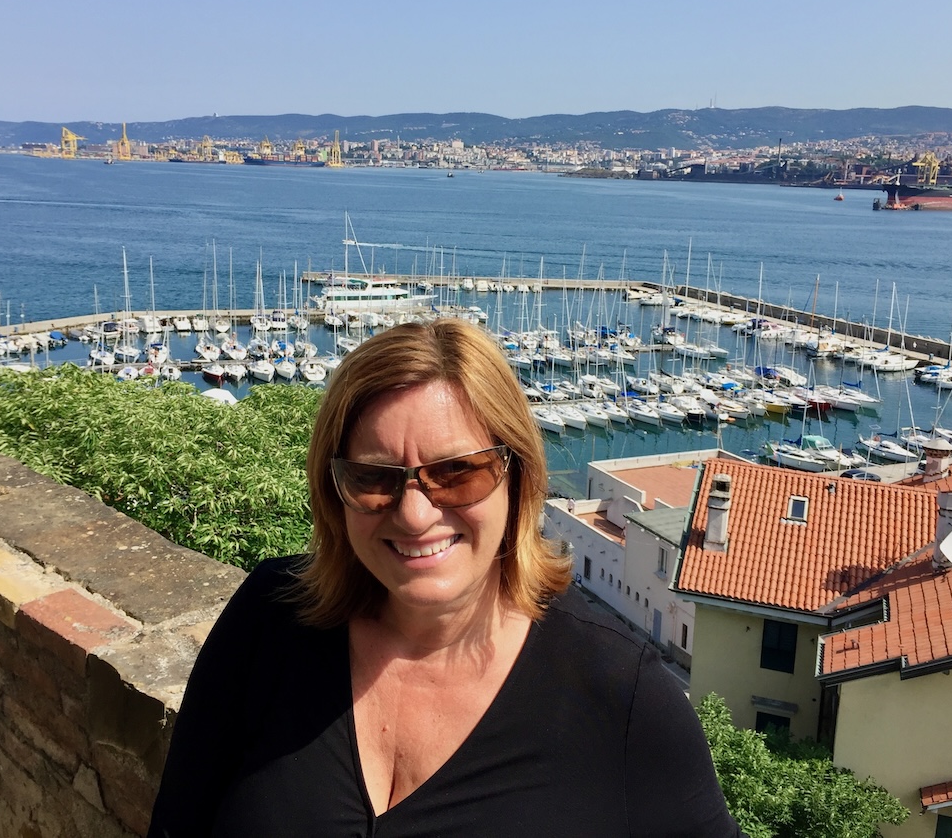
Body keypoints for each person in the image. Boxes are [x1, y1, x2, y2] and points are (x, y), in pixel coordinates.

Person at [148, 318, 743, 837]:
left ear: (518, 476)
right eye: (374, 478)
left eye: (458, 472)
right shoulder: (269, 620)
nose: (413, 513)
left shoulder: (620, 693)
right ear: (336, 491)